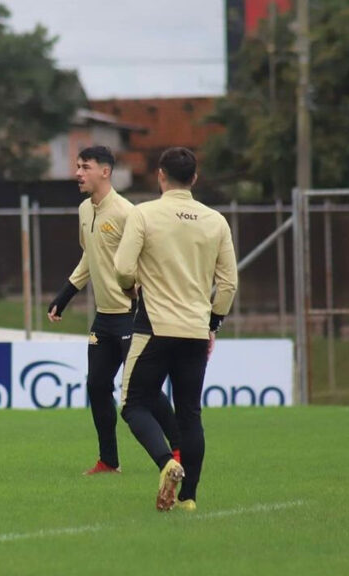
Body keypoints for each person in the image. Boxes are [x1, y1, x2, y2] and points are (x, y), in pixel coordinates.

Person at [114, 147, 237, 511]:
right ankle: (189, 499)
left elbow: (122, 268)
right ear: (195, 178)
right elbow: (228, 284)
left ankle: (167, 461)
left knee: (133, 403)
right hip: (196, 330)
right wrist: (213, 322)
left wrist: (131, 285)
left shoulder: (144, 214)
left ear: (160, 175)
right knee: (189, 413)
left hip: (153, 326)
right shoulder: (215, 220)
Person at [48, 145, 181, 475]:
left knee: (144, 391)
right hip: (103, 319)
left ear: (104, 172)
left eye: (85, 167)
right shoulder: (84, 210)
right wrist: (64, 296)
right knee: (96, 386)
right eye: (77, 166)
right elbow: (89, 258)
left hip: (132, 318)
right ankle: (109, 460)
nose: (78, 173)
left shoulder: (126, 213)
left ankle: (179, 449)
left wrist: (144, 293)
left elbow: (146, 260)